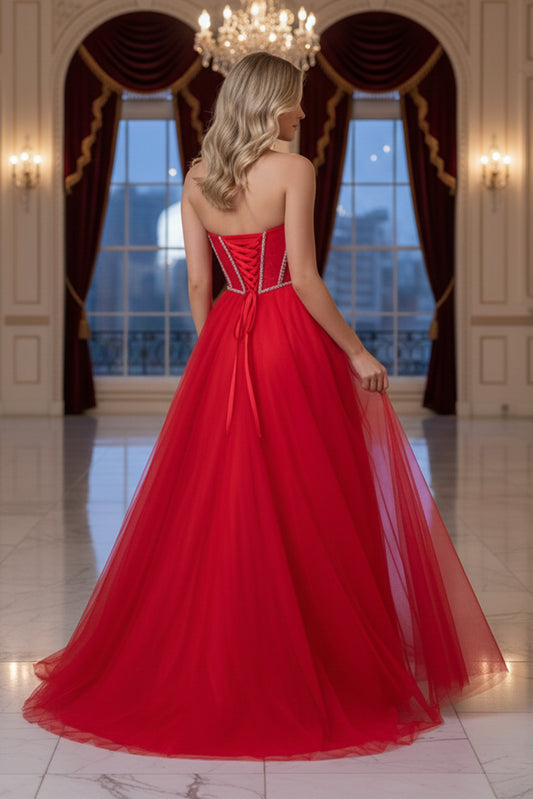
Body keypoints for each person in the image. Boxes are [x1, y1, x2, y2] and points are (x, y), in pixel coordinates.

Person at [23, 52, 506, 761]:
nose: (304, 113)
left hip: (226, 339)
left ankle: (222, 654)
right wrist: (355, 351)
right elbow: (304, 278)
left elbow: (196, 284)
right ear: (272, 103)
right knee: (308, 496)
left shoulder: (196, 178)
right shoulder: (294, 170)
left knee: (223, 503)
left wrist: (218, 350)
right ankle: (314, 658)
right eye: (297, 102)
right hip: (286, 336)